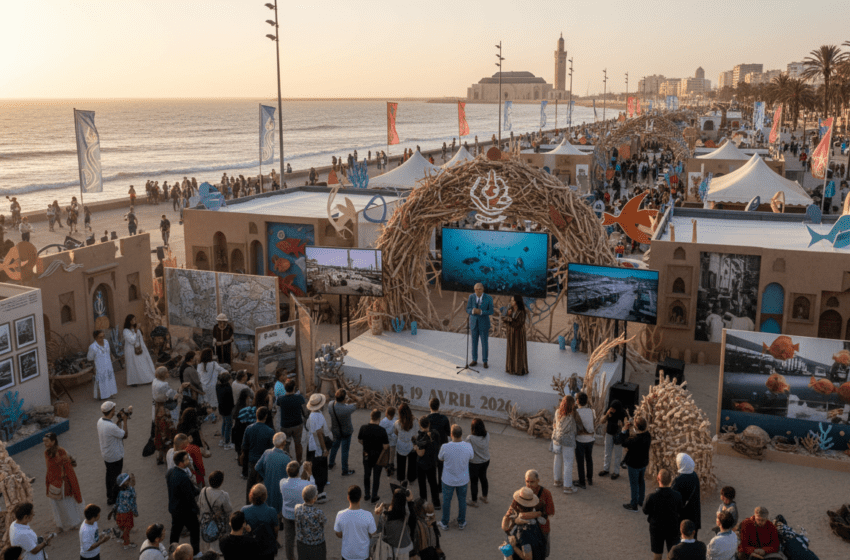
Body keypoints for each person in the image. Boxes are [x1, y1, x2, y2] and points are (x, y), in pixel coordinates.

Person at [43, 432, 84, 531]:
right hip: (53, 482)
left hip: (63, 483)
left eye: (47, 441)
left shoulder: (61, 451)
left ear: (53, 441)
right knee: (56, 505)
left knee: (67, 503)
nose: (45, 443)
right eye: (44, 441)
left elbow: (68, 466)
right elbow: (49, 468)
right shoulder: (46, 453)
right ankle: (61, 524)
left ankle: (73, 523)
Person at [508, 470, 555, 558]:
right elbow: (511, 512)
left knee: (543, 553)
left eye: (532, 482)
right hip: (524, 530)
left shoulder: (546, 493)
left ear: (538, 481)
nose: (529, 484)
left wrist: (537, 513)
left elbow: (551, 512)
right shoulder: (522, 493)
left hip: (541, 529)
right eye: (527, 481)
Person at [437, 424, 473, 531]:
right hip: (463, 479)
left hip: (448, 480)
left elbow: (440, 457)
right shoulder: (468, 446)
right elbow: (471, 457)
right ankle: (461, 521)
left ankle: (444, 522)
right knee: (462, 500)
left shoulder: (445, 446)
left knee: (446, 501)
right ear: (461, 434)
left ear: (451, 434)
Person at [643, 469, 683, 560]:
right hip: (672, 527)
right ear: (670, 480)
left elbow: (645, 510)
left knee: (657, 554)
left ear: (658, 479)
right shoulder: (677, 495)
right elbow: (680, 510)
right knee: (671, 553)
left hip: (656, 528)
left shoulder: (651, 496)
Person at [166, 450, 201, 554]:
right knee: (194, 530)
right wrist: (197, 510)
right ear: (180, 463)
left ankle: (172, 551)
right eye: (186, 459)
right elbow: (190, 496)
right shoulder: (184, 477)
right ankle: (195, 553)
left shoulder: (170, 472)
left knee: (175, 531)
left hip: (174, 508)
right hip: (186, 511)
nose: (188, 461)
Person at [618, 416, 652, 511]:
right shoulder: (647, 435)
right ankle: (640, 501)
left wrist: (624, 430)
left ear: (636, 427)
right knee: (641, 482)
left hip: (634, 464)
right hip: (643, 463)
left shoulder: (635, 439)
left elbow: (623, 443)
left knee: (634, 484)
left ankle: (634, 505)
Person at [97, 401, 128, 505]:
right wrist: (125, 420)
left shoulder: (100, 421)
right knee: (116, 477)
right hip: (115, 456)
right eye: (114, 409)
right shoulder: (111, 427)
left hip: (106, 454)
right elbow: (125, 435)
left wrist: (118, 420)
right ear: (111, 411)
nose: (115, 411)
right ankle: (115, 498)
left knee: (109, 475)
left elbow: (113, 430)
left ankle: (109, 497)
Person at [242, 407, 275, 503]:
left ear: (256, 415)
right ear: (266, 417)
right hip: (264, 463)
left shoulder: (249, 428)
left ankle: (248, 504)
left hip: (252, 462)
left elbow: (244, 446)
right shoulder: (270, 431)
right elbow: (271, 449)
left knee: (250, 486)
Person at [334, 485, 376, 560]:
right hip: (363, 555)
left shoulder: (340, 514)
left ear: (348, 497)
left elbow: (338, 533)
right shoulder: (368, 515)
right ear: (360, 498)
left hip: (347, 555)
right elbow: (373, 534)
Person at [503, 488, 546, 560]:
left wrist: (514, 546)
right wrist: (507, 515)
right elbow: (505, 527)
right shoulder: (535, 518)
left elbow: (528, 557)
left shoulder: (523, 531)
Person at [282, 460, 312, 560]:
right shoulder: (304, 484)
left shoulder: (282, 483)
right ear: (298, 472)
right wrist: (309, 473)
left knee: (289, 538)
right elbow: (313, 488)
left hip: (287, 514)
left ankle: (290, 558)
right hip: (301, 514)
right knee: (303, 537)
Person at [358, 408, 390, 504]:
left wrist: (366, 445)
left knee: (366, 475)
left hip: (366, 455)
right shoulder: (382, 430)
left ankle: (367, 494)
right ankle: (374, 495)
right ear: (379, 418)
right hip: (378, 457)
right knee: (376, 477)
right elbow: (385, 446)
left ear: (371, 417)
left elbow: (360, 440)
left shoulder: (363, 427)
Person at [375, 488, 416, 560]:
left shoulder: (385, 515)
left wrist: (377, 513)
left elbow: (378, 531)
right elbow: (412, 516)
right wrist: (411, 501)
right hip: (404, 546)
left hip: (388, 547)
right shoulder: (406, 514)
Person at [254, 432, 291, 513]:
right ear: (283, 443)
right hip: (280, 490)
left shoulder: (267, 452)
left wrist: (265, 476)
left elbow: (257, 467)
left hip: (268, 486)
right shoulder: (286, 458)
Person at [241, 484, 279, 560]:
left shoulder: (244, 510)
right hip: (267, 548)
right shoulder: (272, 511)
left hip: (251, 547)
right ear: (265, 496)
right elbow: (276, 529)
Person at [199, 471, 232, 554]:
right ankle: (218, 551)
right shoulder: (223, 495)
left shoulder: (204, 491)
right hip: (218, 522)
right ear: (221, 482)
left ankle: (207, 551)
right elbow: (228, 509)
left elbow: (199, 504)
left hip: (205, 520)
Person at [306, 393, 330, 502]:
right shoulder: (318, 416)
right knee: (320, 469)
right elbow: (320, 433)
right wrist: (324, 449)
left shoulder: (312, 415)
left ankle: (314, 491)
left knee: (314, 467)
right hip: (318, 446)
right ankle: (320, 494)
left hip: (312, 445)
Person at [672, 453, 702, 539]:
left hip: (683, 514)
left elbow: (674, 498)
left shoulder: (678, 480)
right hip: (694, 513)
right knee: (693, 537)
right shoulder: (694, 475)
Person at [413, 417, 441, 509]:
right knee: (433, 483)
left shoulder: (420, 436)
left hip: (421, 463)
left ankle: (423, 502)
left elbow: (420, 453)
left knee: (422, 483)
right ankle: (436, 503)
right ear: (429, 424)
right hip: (432, 462)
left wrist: (416, 447)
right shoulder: (435, 433)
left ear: (420, 425)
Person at [552, 395, 577, 494]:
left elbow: (555, 424)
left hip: (557, 439)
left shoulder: (557, 412)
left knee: (557, 459)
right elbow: (574, 429)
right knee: (568, 462)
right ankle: (567, 486)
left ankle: (557, 480)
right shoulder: (572, 415)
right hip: (568, 441)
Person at [277, 379, 307, 462]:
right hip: (297, 424)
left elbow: (277, 410)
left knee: (285, 446)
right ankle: (299, 461)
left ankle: (287, 462)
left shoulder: (280, 399)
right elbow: (305, 411)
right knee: (298, 444)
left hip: (285, 425)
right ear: (294, 388)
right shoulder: (299, 397)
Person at [295, 484, 328, 560]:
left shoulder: (297, 509)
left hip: (302, 544)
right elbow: (324, 522)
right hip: (317, 545)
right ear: (314, 499)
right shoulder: (319, 512)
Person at [329, 388, 357, 476]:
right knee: (345, 451)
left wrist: (345, 401)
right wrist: (349, 400)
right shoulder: (347, 409)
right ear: (344, 398)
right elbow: (357, 404)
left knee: (334, 447)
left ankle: (331, 463)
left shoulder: (330, 405)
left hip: (335, 431)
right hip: (346, 432)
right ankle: (345, 470)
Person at [466, 283, 494, 368]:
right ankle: (474, 360)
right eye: (476, 289)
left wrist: (481, 312)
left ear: (483, 289)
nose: (478, 291)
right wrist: (473, 311)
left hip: (484, 324)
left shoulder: (489, 298)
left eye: (479, 289)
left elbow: (491, 311)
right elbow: (467, 309)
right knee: (474, 343)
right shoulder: (471, 297)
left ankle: (485, 361)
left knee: (484, 343)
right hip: (474, 324)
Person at [123, 314, 156, 386]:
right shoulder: (126, 331)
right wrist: (135, 331)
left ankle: (147, 379)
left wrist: (144, 348)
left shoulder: (137, 329)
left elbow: (140, 339)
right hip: (131, 350)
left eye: (135, 319)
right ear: (129, 321)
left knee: (142, 364)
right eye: (133, 320)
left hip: (139, 349)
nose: (135, 321)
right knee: (133, 366)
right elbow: (132, 341)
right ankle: (133, 381)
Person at [426, 398, 450, 489]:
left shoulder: (427, 419)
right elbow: (448, 433)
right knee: (441, 467)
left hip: (432, 446)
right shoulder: (444, 418)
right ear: (439, 406)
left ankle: (433, 485)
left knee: (432, 467)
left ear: (430, 406)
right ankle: (440, 485)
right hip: (442, 446)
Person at [573, 392, 596, 489]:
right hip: (590, 439)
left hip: (580, 439)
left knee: (580, 461)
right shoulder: (591, 411)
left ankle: (582, 481)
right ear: (586, 401)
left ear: (577, 401)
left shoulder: (576, 412)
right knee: (589, 458)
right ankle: (589, 478)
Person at [466, 418, 490, 507]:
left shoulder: (470, 438)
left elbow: (466, 449)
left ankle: (474, 500)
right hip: (486, 460)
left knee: (474, 482)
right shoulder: (487, 435)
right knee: (483, 478)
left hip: (474, 463)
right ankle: (485, 497)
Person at [502, 295, 529, 375]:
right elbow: (506, 319)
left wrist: (508, 320)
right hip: (511, 333)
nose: (511, 302)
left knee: (518, 350)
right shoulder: (511, 310)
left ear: (517, 302)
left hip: (518, 334)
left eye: (513, 300)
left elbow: (518, 323)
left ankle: (518, 369)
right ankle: (511, 367)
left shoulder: (522, 312)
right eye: (511, 300)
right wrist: (509, 316)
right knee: (511, 349)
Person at [88, 330, 118, 400]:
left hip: (108, 364)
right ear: (95, 338)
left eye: (103, 336)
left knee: (110, 379)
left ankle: (111, 393)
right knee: (102, 380)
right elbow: (89, 358)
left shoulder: (106, 342)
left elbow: (108, 352)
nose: (102, 339)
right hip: (100, 366)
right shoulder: (93, 347)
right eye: (100, 337)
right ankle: (102, 395)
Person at [394, 403, 418, 486]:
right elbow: (416, 434)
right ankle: (411, 479)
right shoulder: (414, 421)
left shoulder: (397, 423)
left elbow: (396, 433)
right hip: (411, 445)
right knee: (412, 464)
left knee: (400, 463)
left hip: (401, 444)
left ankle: (401, 479)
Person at [115, 473, 139, 549]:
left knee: (123, 526)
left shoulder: (121, 491)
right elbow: (132, 504)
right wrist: (135, 512)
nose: (133, 480)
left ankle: (123, 537)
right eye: (131, 479)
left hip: (119, 513)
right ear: (126, 483)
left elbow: (117, 501)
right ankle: (126, 543)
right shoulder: (130, 492)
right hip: (127, 513)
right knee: (128, 527)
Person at [216, 372, 235, 449]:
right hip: (228, 409)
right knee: (229, 425)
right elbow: (231, 400)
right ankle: (227, 443)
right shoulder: (228, 388)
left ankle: (222, 440)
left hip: (221, 408)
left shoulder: (218, 386)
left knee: (224, 423)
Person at [379, 407, 398, 475]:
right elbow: (397, 431)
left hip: (386, 441)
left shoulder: (383, 421)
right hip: (393, 441)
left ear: (386, 414)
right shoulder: (396, 420)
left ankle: (387, 467)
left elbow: (381, 431)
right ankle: (391, 466)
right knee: (392, 455)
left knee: (386, 455)